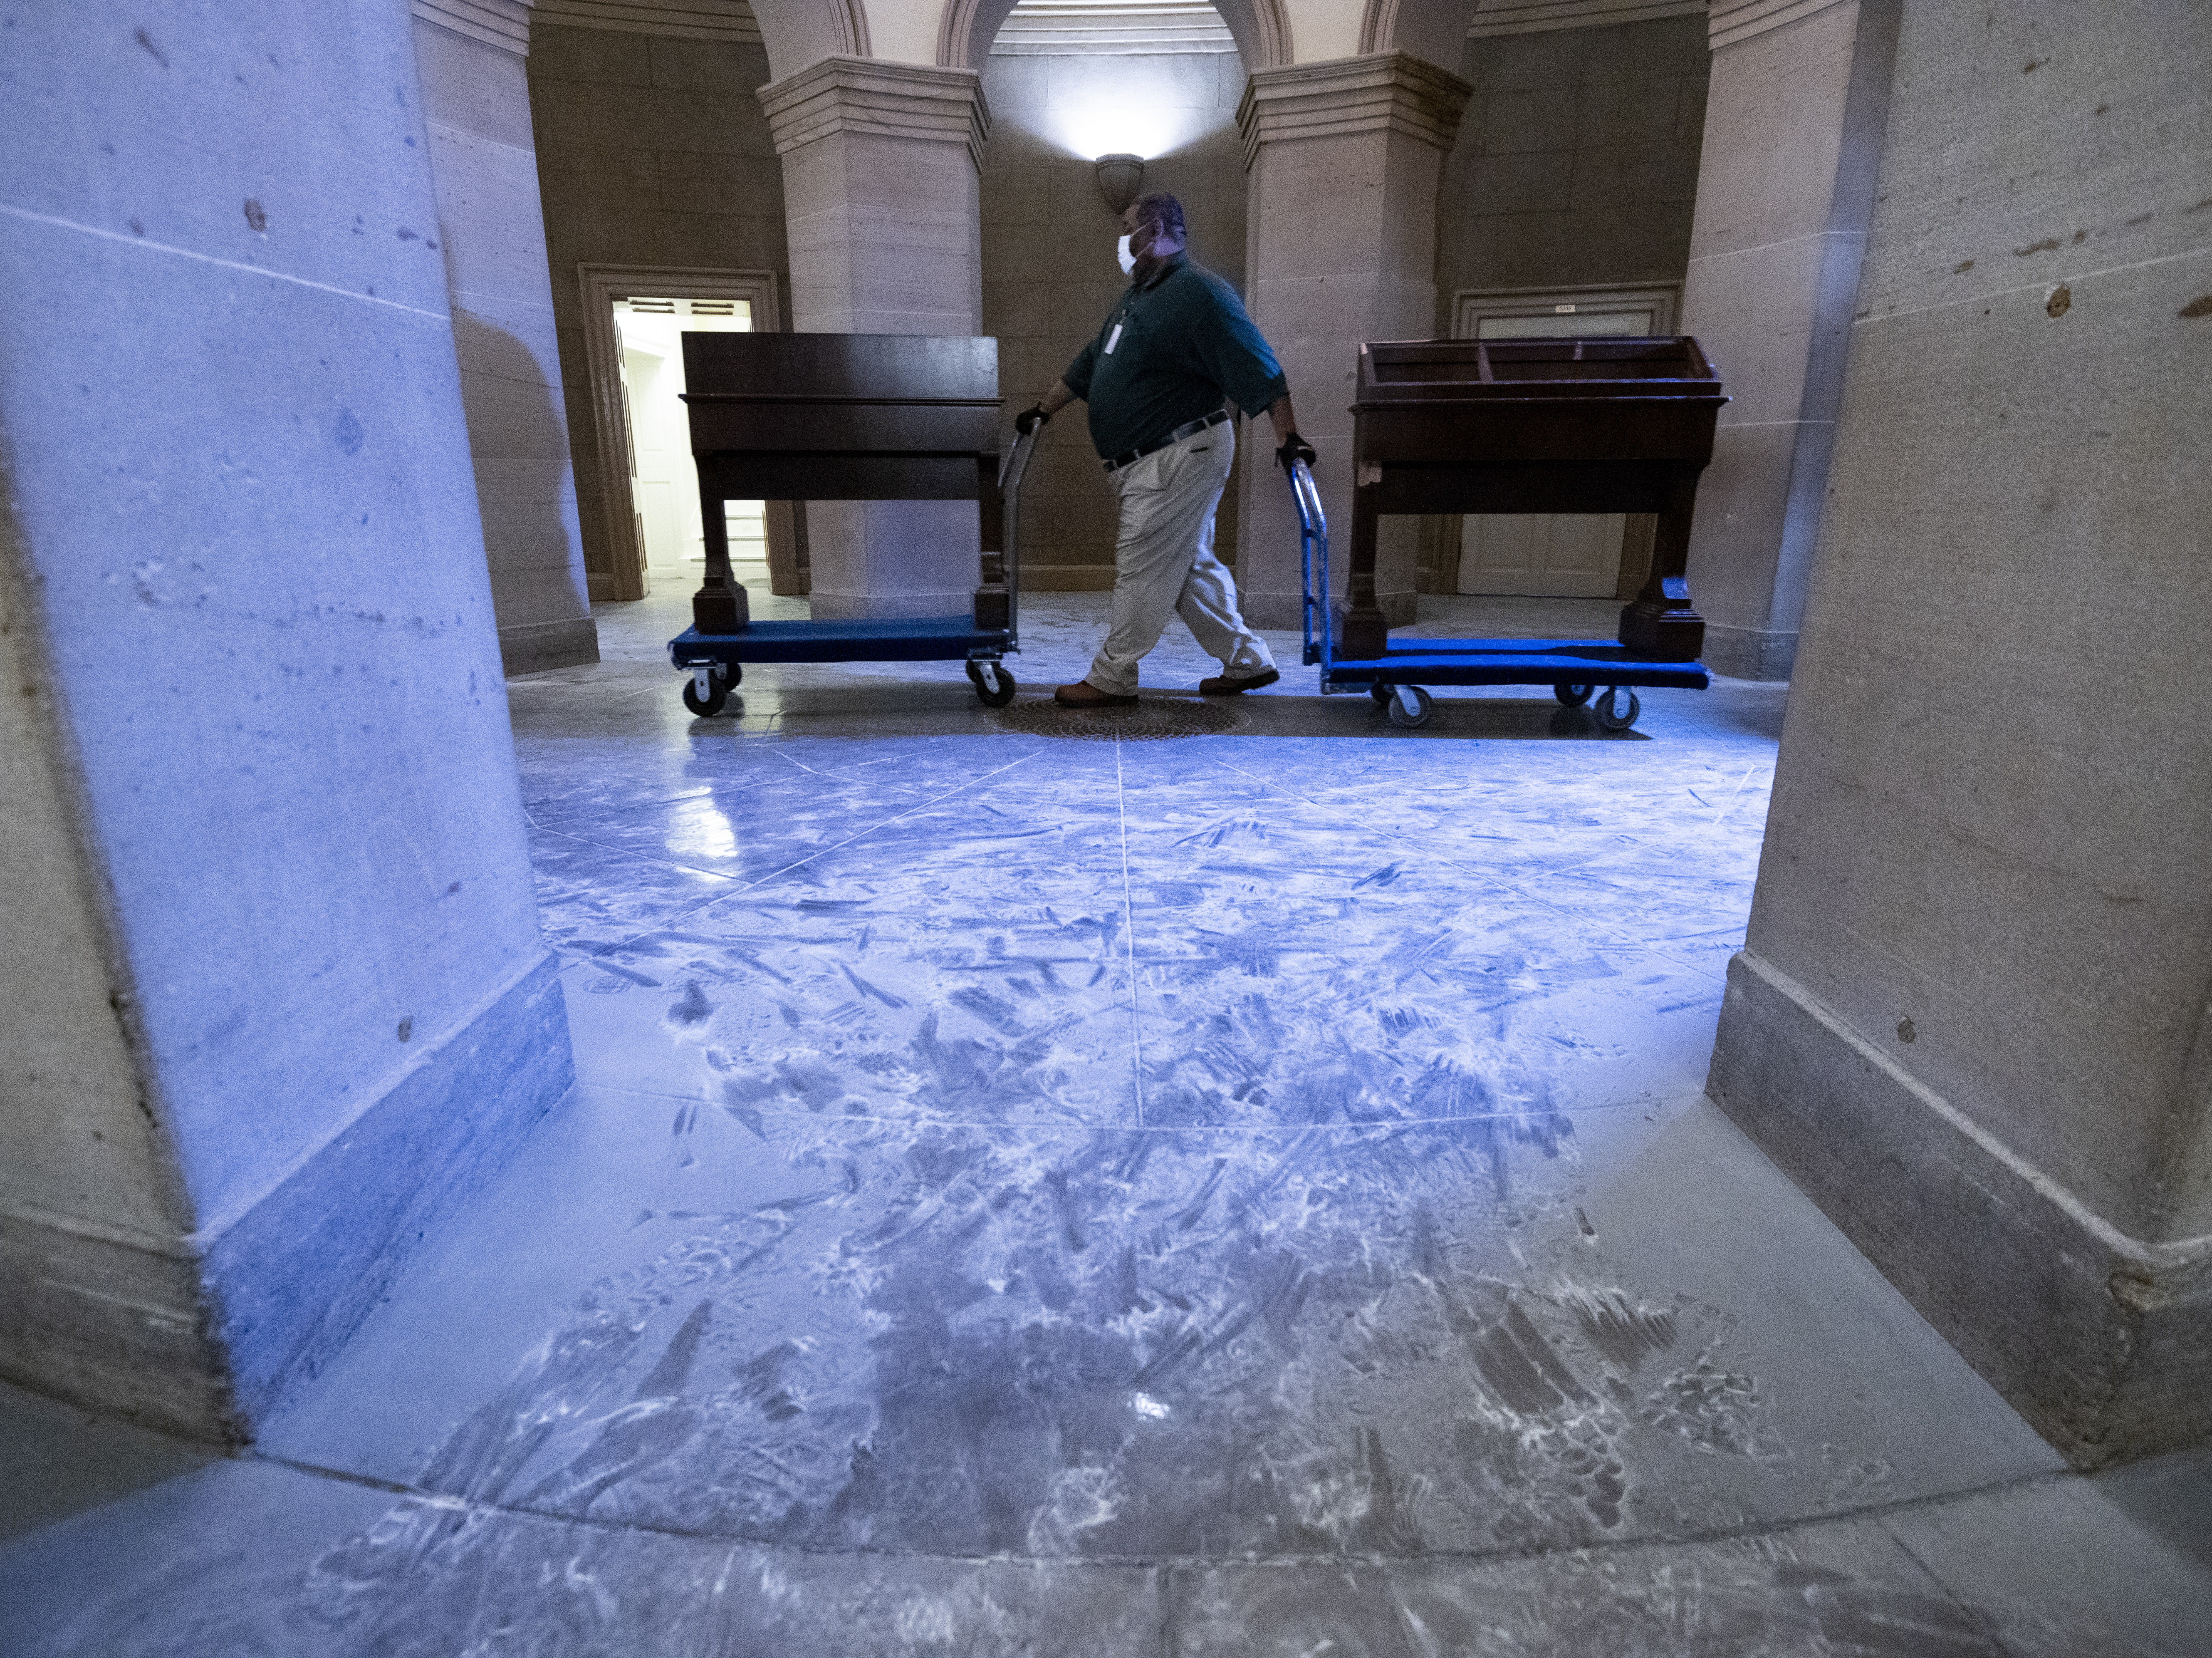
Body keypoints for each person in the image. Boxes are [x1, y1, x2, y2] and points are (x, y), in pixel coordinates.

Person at [1017, 191, 1316, 708]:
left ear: (1155, 231)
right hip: (1152, 460)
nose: (1122, 241)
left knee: (1141, 562)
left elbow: (1259, 365)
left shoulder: (1199, 292)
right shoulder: (1137, 298)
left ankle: (1112, 676)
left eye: (1128, 228)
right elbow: (1090, 362)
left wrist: (1287, 436)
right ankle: (1248, 661)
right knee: (1187, 569)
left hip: (1177, 453)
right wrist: (1044, 408)